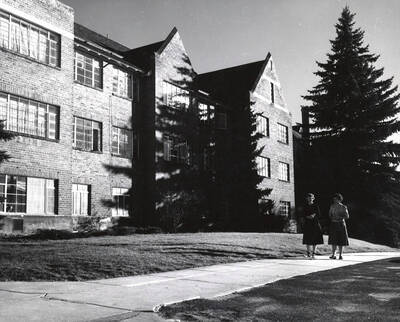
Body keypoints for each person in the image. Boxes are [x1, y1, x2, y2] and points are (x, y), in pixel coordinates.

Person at [302, 193, 324, 259]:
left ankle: (314, 253)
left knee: (315, 238)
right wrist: (307, 216)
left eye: (311, 198)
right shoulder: (305, 206)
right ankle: (308, 253)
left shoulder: (316, 205)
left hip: (315, 223)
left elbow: (319, 214)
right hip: (307, 223)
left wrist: (313, 215)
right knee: (307, 238)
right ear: (307, 198)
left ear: (313, 198)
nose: (310, 199)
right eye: (308, 198)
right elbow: (303, 214)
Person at [328, 193, 349, 259]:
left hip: (341, 224)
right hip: (334, 223)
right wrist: (332, 217)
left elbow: (347, 216)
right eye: (334, 199)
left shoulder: (343, 207)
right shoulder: (332, 206)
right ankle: (333, 254)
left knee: (341, 240)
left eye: (336, 199)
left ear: (339, 200)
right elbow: (329, 214)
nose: (335, 200)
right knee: (333, 240)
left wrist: (340, 217)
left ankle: (340, 255)